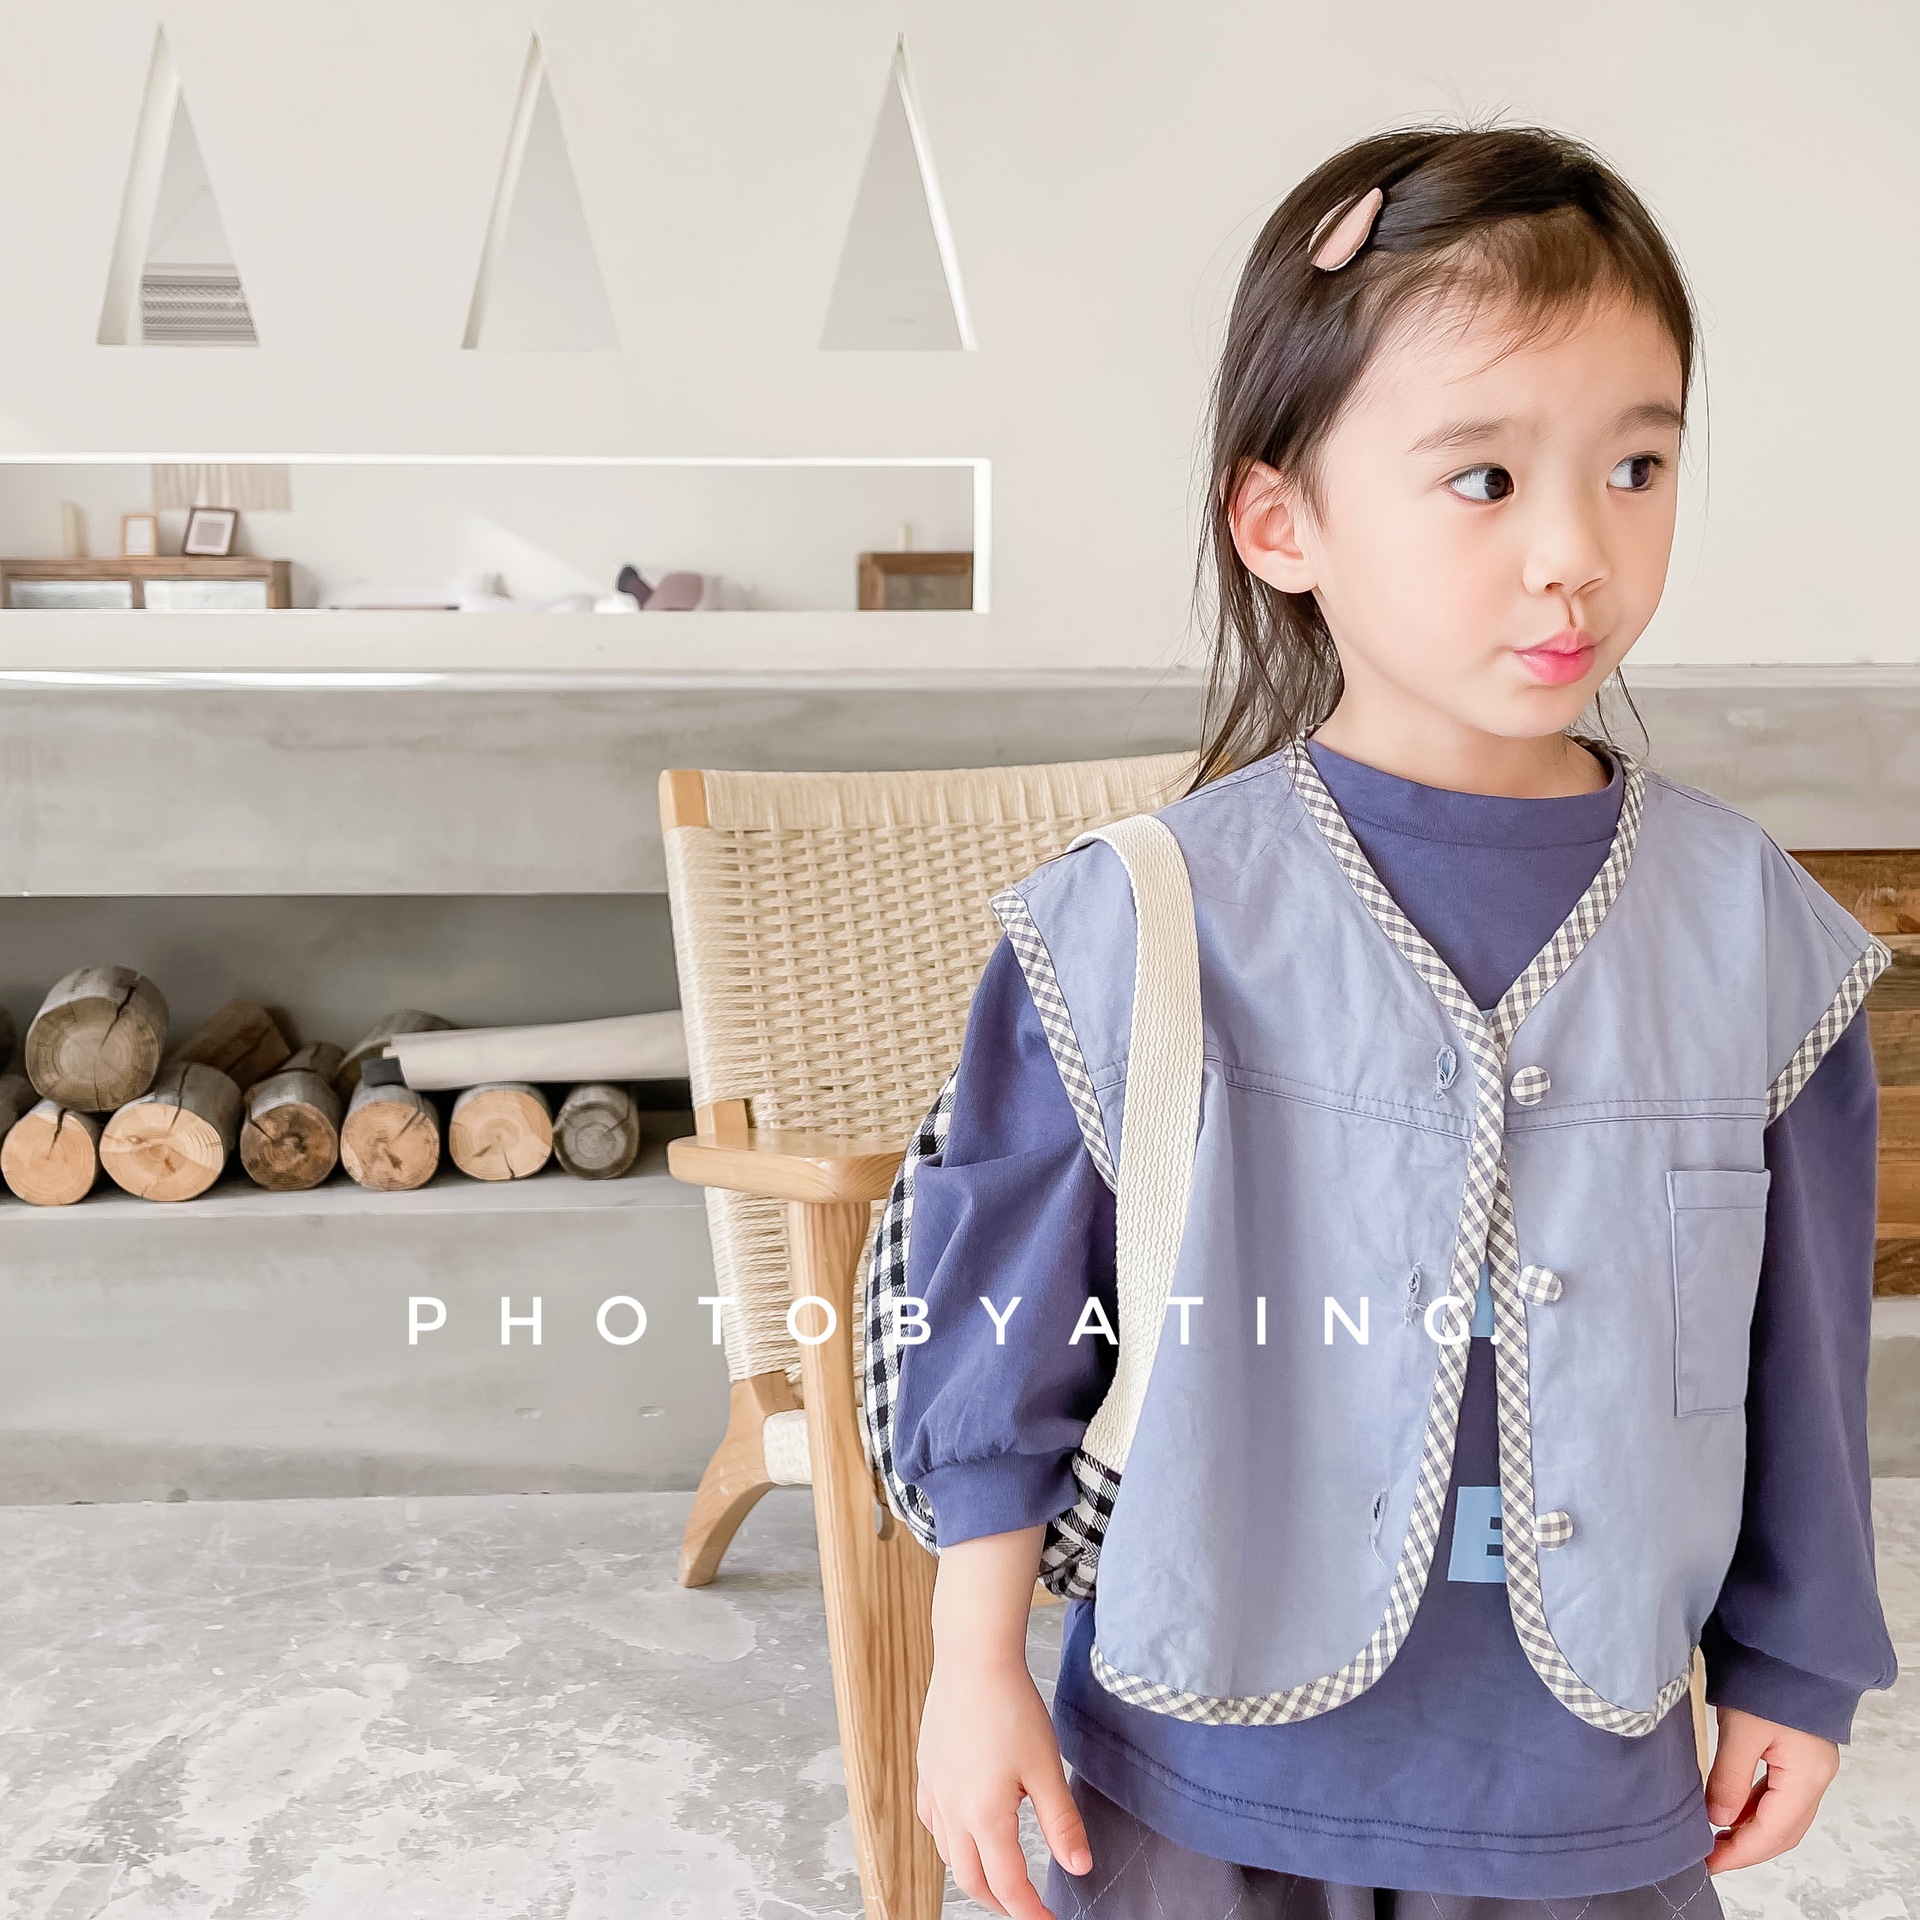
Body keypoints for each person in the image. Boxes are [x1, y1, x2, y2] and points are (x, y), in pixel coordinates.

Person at [867, 124, 1899, 1919]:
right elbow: (1006, 1330)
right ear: (1283, 523)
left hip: (1584, 1789)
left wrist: (1798, 1670)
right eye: (1483, 478)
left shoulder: (1754, 935)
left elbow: (1801, 1347)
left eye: (1637, 464)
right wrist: (972, 1668)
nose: (1576, 552)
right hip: (1195, 1768)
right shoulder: (1134, 925)